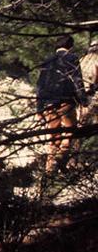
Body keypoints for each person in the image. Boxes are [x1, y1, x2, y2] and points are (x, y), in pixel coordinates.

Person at [35, 35, 88, 172]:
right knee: (70, 132)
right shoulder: (72, 58)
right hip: (66, 101)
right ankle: (60, 159)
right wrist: (83, 99)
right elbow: (77, 80)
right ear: (71, 46)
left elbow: (40, 85)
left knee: (54, 135)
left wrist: (39, 108)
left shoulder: (47, 61)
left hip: (48, 103)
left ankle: (49, 168)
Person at [79, 40, 98, 125]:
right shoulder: (96, 58)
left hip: (81, 95)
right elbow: (95, 74)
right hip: (93, 93)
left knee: (81, 122)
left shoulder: (81, 60)